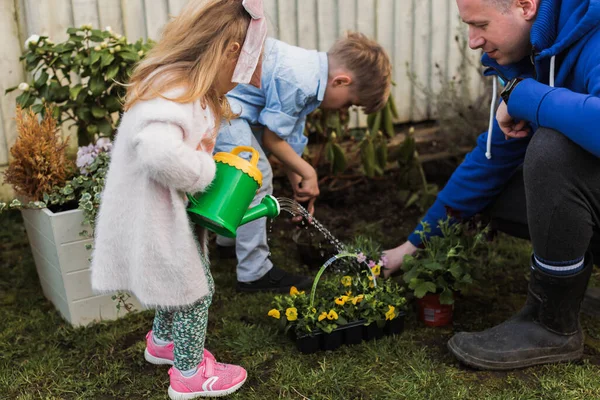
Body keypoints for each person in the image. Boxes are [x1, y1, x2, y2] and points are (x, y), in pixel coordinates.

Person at [384, 0, 600, 370]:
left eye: (480, 24)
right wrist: (413, 244)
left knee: (552, 150)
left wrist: (523, 96)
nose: (472, 41)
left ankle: (551, 325)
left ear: (525, 6)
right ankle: (564, 294)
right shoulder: (527, 57)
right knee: (497, 189)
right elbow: (491, 161)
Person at [90, 0, 267, 397]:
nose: (238, 83)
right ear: (229, 52)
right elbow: (159, 153)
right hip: (154, 214)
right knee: (193, 291)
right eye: (239, 74)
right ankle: (188, 376)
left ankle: (163, 342)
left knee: (177, 277)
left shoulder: (184, 89)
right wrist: (205, 172)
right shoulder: (176, 93)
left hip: (167, 212)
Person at [215, 32, 392, 293]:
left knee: (242, 173)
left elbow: (286, 142)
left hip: (233, 109)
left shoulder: (309, 75)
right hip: (220, 109)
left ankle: (227, 241)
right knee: (255, 176)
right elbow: (273, 140)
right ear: (342, 81)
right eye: (350, 104)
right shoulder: (299, 81)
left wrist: (300, 191)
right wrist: (309, 172)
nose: (344, 110)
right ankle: (254, 273)